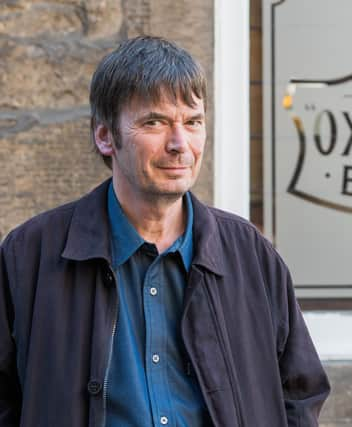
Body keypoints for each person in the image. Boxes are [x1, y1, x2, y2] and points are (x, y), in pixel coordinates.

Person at [0, 36, 330, 426]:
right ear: (105, 136)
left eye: (193, 122)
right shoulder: (31, 255)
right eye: (154, 122)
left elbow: (300, 393)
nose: (180, 144)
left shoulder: (250, 254)